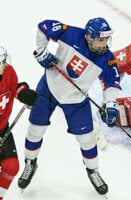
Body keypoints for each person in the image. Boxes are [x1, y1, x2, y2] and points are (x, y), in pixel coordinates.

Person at [17, 17, 121, 195]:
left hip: (75, 99)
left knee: (87, 139)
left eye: (106, 39)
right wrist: (42, 51)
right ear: (89, 37)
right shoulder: (71, 33)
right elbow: (44, 26)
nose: (104, 44)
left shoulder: (107, 59)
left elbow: (112, 83)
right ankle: (30, 163)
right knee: (35, 129)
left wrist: (111, 104)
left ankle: (93, 170)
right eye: (100, 39)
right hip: (48, 87)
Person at [0, 46, 38, 200]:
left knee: (11, 167)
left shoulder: (8, 72)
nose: (4, 66)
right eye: (1, 63)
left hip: (2, 130)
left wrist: (23, 93)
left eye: (3, 62)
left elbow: (13, 86)